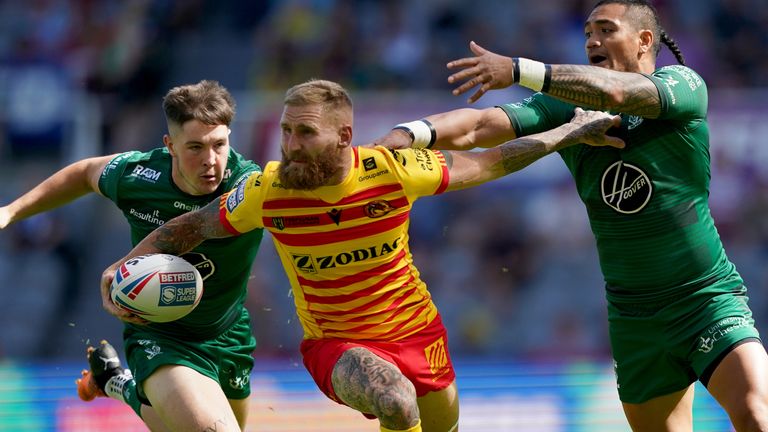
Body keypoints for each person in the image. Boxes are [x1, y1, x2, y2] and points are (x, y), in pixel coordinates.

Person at [98, 79, 623, 432]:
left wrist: (565, 133)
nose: (290, 144)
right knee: (394, 400)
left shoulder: (391, 170)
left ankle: (114, 383)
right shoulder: (267, 189)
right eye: (285, 131)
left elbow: (488, 163)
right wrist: (120, 273)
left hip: (418, 332)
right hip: (336, 343)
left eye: (305, 133)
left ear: (343, 136)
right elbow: (187, 229)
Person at [372, 1, 768, 431]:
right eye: (586, 33)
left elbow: (617, 93)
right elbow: (478, 126)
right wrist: (405, 136)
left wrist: (520, 69)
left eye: (605, 29)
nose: (592, 40)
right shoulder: (565, 108)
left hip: (706, 298)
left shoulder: (683, 84)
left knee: (755, 412)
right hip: (634, 320)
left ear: (644, 40)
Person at [0, 80, 264, 432]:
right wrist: (11, 211)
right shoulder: (139, 176)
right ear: (169, 145)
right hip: (159, 336)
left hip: (229, 334)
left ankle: (116, 383)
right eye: (195, 147)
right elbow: (83, 173)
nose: (210, 161)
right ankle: (127, 380)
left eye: (219, 144)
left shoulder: (250, 183)